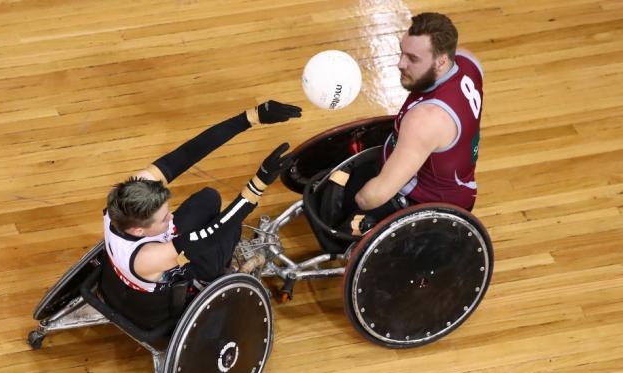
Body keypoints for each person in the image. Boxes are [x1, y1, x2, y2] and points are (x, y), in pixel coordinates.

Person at [99, 101, 301, 329]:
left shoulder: (125, 198)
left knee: (208, 198)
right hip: (156, 309)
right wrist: (259, 182)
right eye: (164, 217)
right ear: (138, 230)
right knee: (232, 228)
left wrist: (251, 117)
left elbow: (189, 152)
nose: (170, 217)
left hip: (134, 271)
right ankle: (205, 279)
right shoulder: (148, 257)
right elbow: (213, 233)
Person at [336, 12, 484, 235]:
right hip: (452, 183)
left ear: (442, 61)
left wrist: (349, 203)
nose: (400, 63)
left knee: (340, 207)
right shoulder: (467, 61)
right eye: (401, 52)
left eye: (413, 59)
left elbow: (374, 197)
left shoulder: (426, 119)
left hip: (425, 204)